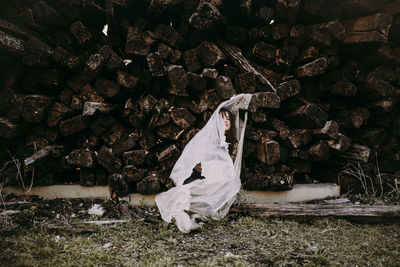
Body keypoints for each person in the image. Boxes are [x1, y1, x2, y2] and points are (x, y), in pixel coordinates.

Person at [155, 94, 253, 233]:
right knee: (185, 193)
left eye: (228, 119)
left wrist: (220, 166)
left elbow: (229, 165)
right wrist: (211, 168)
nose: (226, 121)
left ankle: (196, 214)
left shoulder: (231, 143)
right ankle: (186, 214)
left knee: (230, 181)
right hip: (199, 176)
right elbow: (196, 164)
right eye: (222, 119)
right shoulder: (207, 139)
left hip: (219, 177)